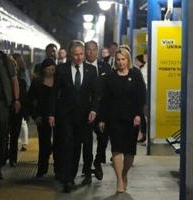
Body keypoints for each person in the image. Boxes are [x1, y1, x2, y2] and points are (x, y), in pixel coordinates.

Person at [48, 40, 98, 193]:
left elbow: (95, 93)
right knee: (67, 146)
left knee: (77, 147)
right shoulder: (61, 69)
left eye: (81, 54)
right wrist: (51, 113)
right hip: (65, 116)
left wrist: (94, 110)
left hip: (83, 117)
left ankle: (72, 174)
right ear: (70, 55)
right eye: (75, 55)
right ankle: (67, 179)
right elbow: (53, 93)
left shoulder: (90, 70)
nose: (78, 57)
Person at [99, 47, 146, 193]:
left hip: (132, 119)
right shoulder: (110, 77)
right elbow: (104, 100)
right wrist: (102, 119)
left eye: (123, 59)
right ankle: (119, 179)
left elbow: (141, 97)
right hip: (114, 118)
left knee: (130, 151)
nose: (121, 62)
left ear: (128, 60)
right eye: (118, 60)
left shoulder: (136, 75)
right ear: (115, 61)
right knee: (117, 148)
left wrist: (138, 115)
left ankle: (125, 173)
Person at [0, 35, 20, 180]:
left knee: (1, 135)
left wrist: (16, 99)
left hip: (1, 103)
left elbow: (14, 80)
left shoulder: (5, 60)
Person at [84, 40, 111, 181]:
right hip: (85, 111)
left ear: (98, 50)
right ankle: (87, 169)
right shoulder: (80, 67)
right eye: (88, 49)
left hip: (102, 110)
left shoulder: (105, 67)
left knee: (103, 138)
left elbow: (109, 90)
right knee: (87, 141)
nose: (91, 52)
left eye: (94, 49)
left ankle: (98, 161)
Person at [28, 58, 56, 178]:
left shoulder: (59, 81)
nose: (51, 72)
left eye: (53, 69)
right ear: (43, 70)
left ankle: (58, 168)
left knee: (59, 142)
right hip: (42, 117)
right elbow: (29, 100)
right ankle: (42, 168)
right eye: (49, 69)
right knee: (44, 143)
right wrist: (35, 116)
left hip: (57, 116)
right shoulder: (37, 83)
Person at [8, 53, 28, 167]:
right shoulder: (22, 81)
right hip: (14, 111)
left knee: (13, 135)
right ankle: (11, 158)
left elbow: (24, 98)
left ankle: (11, 157)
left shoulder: (21, 81)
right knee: (13, 136)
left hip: (15, 111)